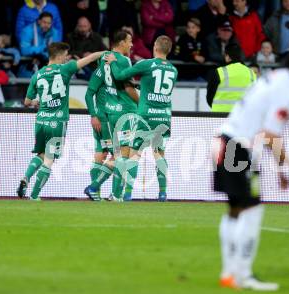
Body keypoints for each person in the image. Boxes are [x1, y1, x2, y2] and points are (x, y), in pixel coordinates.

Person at [213, 44, 289, 290]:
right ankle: (241, 274)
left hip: (227, 141)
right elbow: (270, 134)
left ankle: (230, 273)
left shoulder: (276, 78)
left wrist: (281, 169)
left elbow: (263, 131)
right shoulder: (287, 90)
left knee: (236, 209)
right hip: (237, 147)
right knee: (252, 210)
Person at [16, 43, 104, 200]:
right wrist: (104, 52)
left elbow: (27, 102)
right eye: (65, 55)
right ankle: (34, 195)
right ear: (59, 55)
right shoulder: (65, 69)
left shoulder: (38, 75)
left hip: (41, 121)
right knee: (49, 160)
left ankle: (26, 177)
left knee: (41, 154)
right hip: (57, 122)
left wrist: (37, 102)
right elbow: (89, 58)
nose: (66, 58)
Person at [106, 36, 178, 202]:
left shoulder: (146, 64)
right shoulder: (174, 70)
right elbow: (156, 87)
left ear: (155, 47)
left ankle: (128, 193)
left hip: (145, 115)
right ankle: (162, 193)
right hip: (164, 117)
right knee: (159, 154)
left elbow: (120, 75)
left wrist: (113, 62)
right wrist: (142, 85)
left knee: (134, 154)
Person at [84, 30, 139, 202]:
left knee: (115, 154)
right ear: (121, 42)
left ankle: (105, 190)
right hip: (125, 111)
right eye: (129, 41)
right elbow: (128, 87)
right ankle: (109, 192)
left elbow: (93, 88)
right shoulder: (123, 60)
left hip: (111, 112)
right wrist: (141, 103)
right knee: (123, 155)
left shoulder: (104, 60)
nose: (131, 45)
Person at [206, 44, 256, 112]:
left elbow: (209, 96)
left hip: (219, 116)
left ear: (227, 56)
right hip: (243, 115)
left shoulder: (219, 72)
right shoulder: (251, 73)